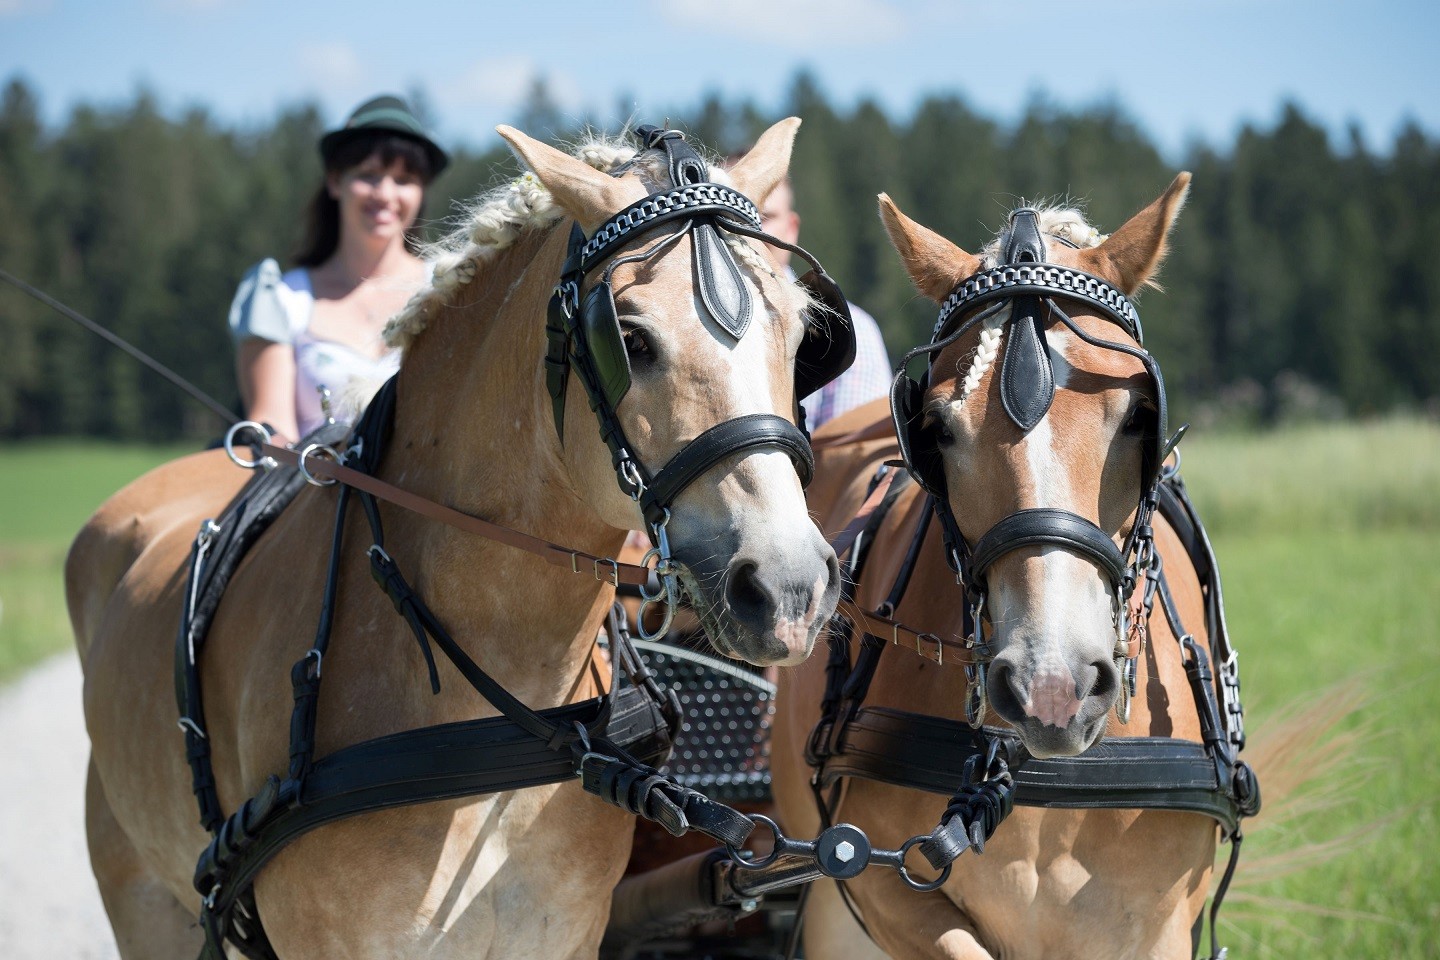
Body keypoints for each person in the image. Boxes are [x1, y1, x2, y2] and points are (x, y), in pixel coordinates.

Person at [228, 95, 448, 443]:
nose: (385, 193)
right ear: (334, 181)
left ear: (421, 191)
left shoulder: (451, 290)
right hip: (314, 494)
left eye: (404, 179)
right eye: (369, 175)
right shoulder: (283, 301)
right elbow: (273, 435)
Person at [755, 176, 892, 429]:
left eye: (763, 217)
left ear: (791, 228)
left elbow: (851, 460)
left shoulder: (846, 327)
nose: (747, 231)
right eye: (731, 218)